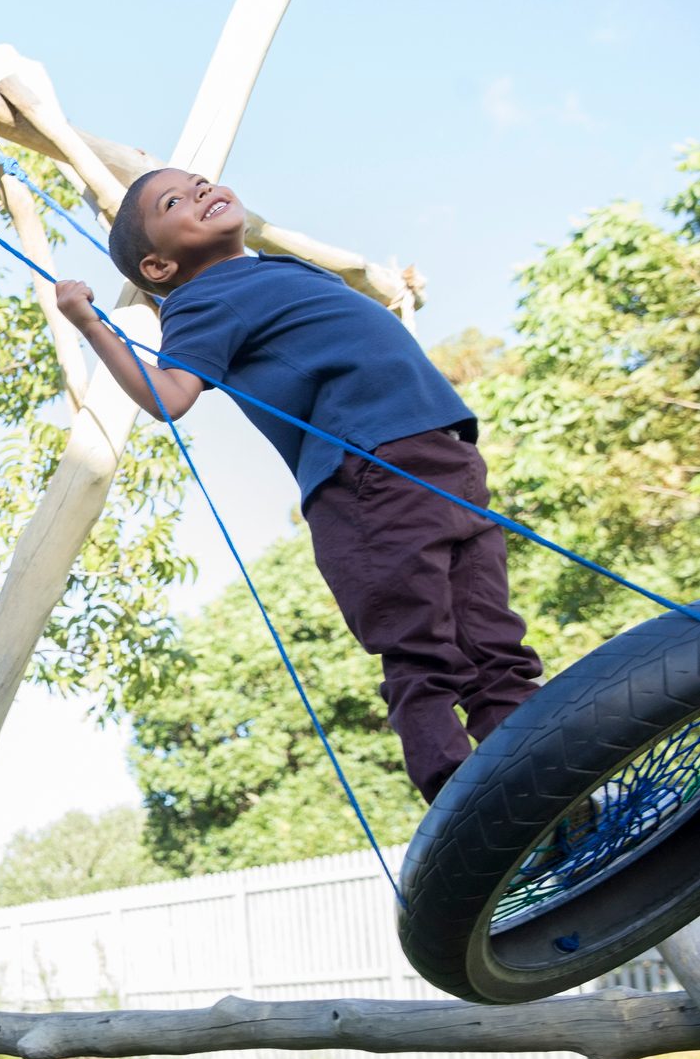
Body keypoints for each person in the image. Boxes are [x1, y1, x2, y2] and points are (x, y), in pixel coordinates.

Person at [52, 169, 541, 806]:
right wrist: (89, 323)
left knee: (495, 647)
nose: (200, 190)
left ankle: (551, 798)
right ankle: (467, 816)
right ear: (159, 264)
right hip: (369, 475)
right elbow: (169, 398)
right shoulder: (202, 299)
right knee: (423, 650)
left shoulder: (277, 269)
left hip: (441, 457)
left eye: (199, 182)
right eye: (175, 201)